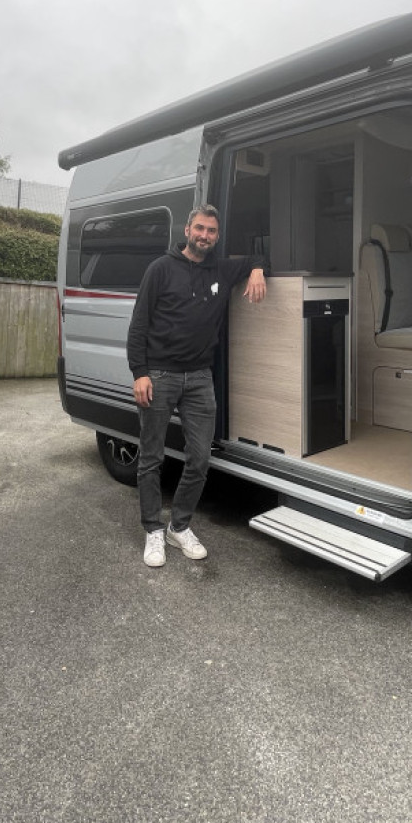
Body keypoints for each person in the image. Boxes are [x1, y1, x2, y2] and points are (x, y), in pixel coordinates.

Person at [127, 204, 267, 567]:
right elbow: (139, 324)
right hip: (159, 375)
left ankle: (179, 526)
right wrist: (139, 372)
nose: (205, 236)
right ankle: (152, 530)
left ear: (217, 236)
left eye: (212, 231)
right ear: (187, 229)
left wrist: (256, 270)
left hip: (200, 378)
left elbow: (259, 252)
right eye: (200, 228)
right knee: (151, 459)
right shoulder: (160, 269)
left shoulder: (221, 268)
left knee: (200, 459)